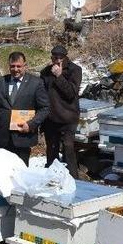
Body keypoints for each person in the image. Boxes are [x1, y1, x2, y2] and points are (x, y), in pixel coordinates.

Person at [0, 51, 50, 164]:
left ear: (25, 66)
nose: (15, 69)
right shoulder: (1, 81)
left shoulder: (36, 83)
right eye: (12, 66)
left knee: (20, 174)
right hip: (2, 137)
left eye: (18, 66)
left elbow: (45, 108)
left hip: (22, 137)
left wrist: (31, 124)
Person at [40, 45, 83, 177]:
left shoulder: (75, 70)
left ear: (65, 58)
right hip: (50, 118)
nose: (57, 60)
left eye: (60, 58)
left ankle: (74, 179)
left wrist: (59, 76)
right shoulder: (45, 72)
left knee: (68, 148)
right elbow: (41, 94)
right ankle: (51, 179)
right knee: (52, 150)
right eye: (55, 57)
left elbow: (71, 93)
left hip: (68, 118)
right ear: (51, 58)